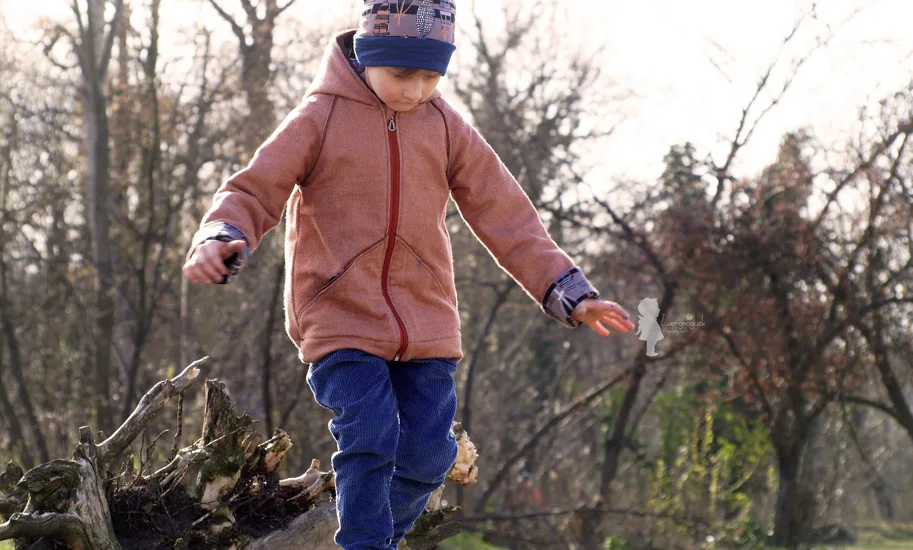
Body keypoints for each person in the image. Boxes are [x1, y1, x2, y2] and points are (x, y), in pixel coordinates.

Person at [182, 1, 634, 548]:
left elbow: (506, 213)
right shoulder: (319, 116)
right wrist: (221, 234)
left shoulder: (446, 126)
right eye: (402, 74)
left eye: (431, 76)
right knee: (369, 437)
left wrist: (567, 288)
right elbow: (255, 188)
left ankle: (376, 538)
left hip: (426, 321)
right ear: (369, 56)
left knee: (428, 457)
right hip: (339, 317)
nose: (417, 90)